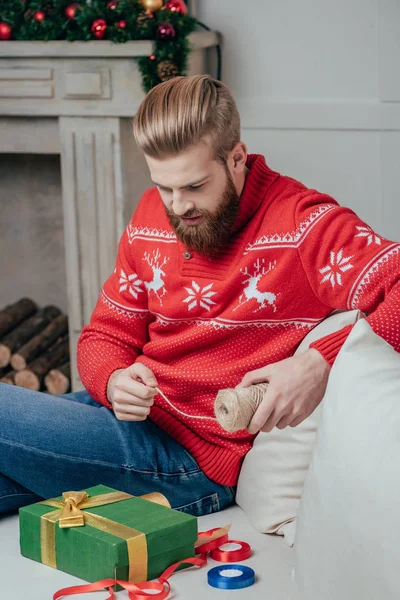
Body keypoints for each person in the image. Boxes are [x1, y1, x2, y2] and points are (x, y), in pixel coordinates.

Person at [0, 75, 399, 518]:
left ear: (236, 158)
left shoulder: (304, 224)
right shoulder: (153, 214)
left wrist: (318, 364)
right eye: (164, 187)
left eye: (194, 187)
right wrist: (112, 381)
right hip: (118, 419)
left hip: (187, 461)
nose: (177, 206)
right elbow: (104, 335)